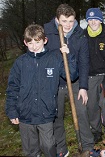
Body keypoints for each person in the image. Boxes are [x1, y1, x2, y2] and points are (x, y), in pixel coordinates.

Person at [5, 24, 77, 157]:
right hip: (25, 114)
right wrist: (12, 111)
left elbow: (71, 75)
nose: (34, 46)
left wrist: (68, 56)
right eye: (30, 42)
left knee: (49, 147)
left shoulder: (55, 58)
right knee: (30, 151)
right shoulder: (20, 63)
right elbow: (12, 89)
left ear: (45, 40)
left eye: (37, 42)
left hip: (46, 113)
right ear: (25, 43)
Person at [44, 4, 93, 156]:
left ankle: (87, 146)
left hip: (76, 80)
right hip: (55, 83)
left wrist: (84, 87)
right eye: (64, 21)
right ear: (57, 19)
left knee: (82, 111)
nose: (67, 25)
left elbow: (84, 63)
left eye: (71, 21)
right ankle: (61, 149)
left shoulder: (80, 35)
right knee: (57, 116)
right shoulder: (47, 33)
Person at [84, 7, 105, 140]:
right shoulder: (83, 37)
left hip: (104, 76)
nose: (93, 22)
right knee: (92, 105)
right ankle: (96, 130)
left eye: (96, 19)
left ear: (100, 20)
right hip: (90, 77)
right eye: (90, 20)